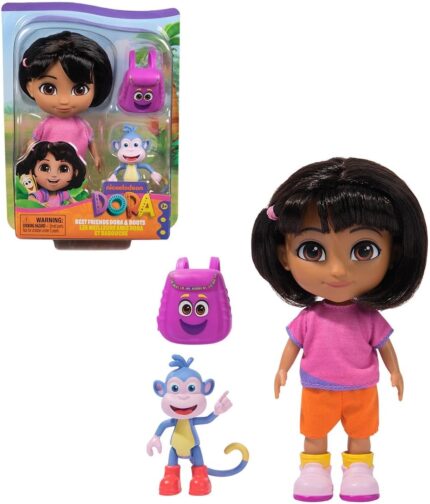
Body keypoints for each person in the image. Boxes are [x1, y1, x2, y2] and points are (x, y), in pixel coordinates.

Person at [251, 157, 427, 502]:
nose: (337, 270)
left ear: (393, 254)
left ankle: (359, 468)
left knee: (361, 433)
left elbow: (384, 344)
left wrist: (395, 371)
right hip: (317, 387)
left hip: (362, 387)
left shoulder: (368, 317)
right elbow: (293, 343)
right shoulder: (310, 317)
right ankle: (314, 468)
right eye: (312, 250)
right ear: (284, 256)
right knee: (314, 433)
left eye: (364, 249)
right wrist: (282, 369)